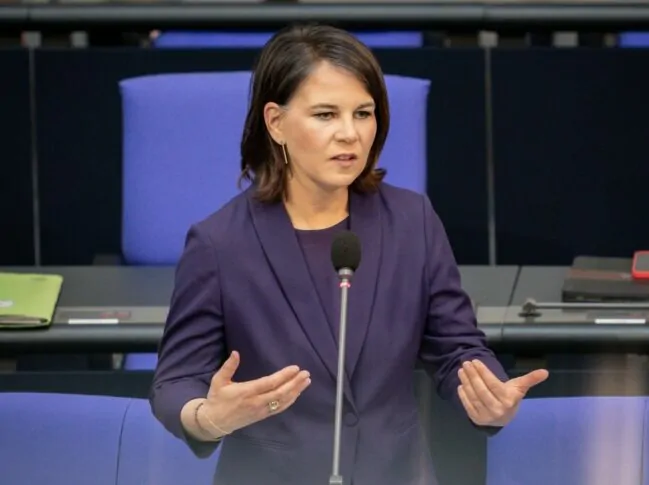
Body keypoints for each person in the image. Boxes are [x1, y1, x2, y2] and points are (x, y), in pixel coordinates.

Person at [150, 23, 549, 485]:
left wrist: (489, 393)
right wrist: (206, 418)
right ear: (276, 122)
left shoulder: (411, 221)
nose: (349, 134)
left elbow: (456, 346)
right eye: (325, 115)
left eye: (363, 113)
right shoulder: (220, 243)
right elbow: (175, 381)